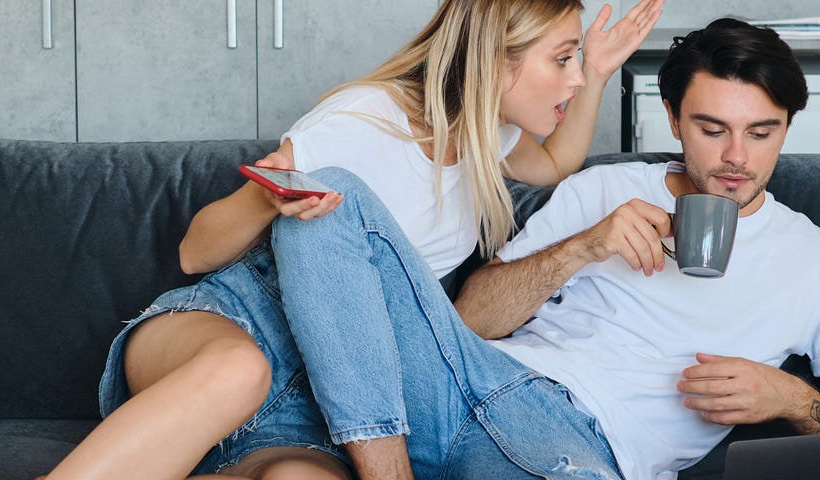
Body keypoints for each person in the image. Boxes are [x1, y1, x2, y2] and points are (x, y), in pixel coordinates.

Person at [45, 0, 663, 479]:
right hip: (239, 323)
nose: (575, 78)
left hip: (323, 395)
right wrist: (266, 196)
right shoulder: (365, 120)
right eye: (563, 59)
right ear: (498, 63)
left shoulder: (490, 137)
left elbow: (556, 165)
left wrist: (604, 69)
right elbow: (193, 252)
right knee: (238, 369)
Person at [451, 18, 820, 479]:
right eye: (712, 130)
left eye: (761, 134)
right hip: (480, 382)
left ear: (787, 126)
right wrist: (582, 248)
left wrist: (793, 400)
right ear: (673, 118)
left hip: (585, 448)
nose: (737, 158)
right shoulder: (605, 189)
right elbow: (467, 322)